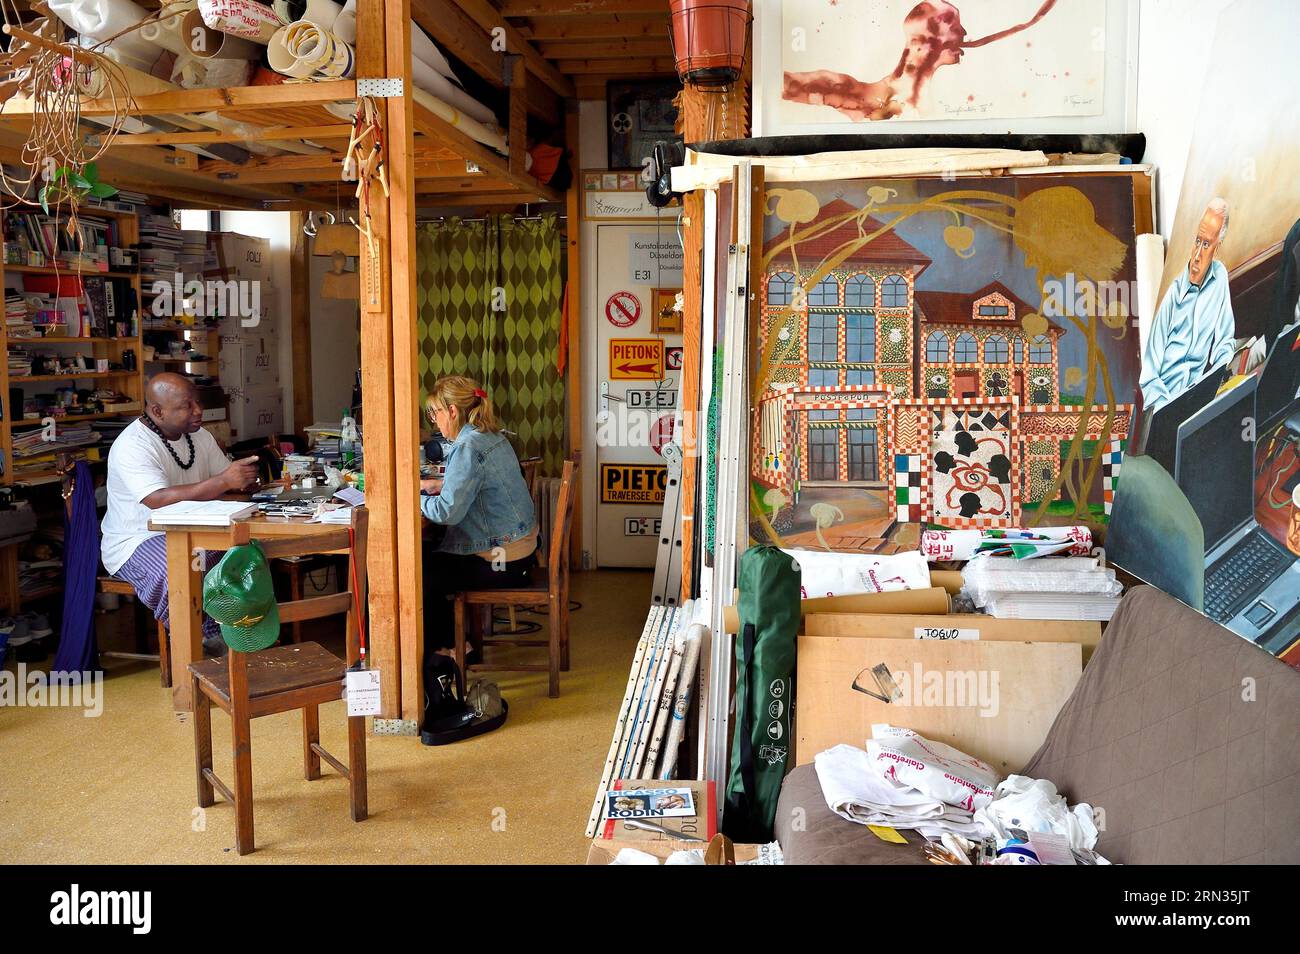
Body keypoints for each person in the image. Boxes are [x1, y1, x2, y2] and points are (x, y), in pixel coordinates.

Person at [101, 373, 260, 656]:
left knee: (247, 553)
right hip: (139, 538)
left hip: (196, 529)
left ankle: (245, 635)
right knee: (179, 568)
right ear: (157, 411)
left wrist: (243, 479)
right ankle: (201, 645)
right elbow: (156, 499)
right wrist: (224, 481)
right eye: (187, 406)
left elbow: (225, 480)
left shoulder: (199, 436)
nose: (198, 411)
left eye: (197, 403)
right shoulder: (133, 445)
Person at [419, 376, 538, 658]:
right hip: (522, 551)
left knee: (418, 572)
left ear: (452, 411)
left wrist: (412, 497)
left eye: (435, 413)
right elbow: (479, 486)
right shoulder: (491, 435)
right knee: (428, 559)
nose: (434, 421)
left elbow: (447, 512)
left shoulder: (467, 446)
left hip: (502, 563)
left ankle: (451, 650)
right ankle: (457, 643)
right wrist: (437, 486)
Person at [1140, 197, 1237, 413]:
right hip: (1165, 405)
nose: (1197, 256)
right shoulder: (1173, 296)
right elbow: (1148, 378)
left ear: (1217, 247)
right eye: (1197, 241)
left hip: (1198, 398)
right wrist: (1168, 411)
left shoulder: (1219, 277)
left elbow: (1224, 341)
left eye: (1206, 244)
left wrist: (1218, 378)